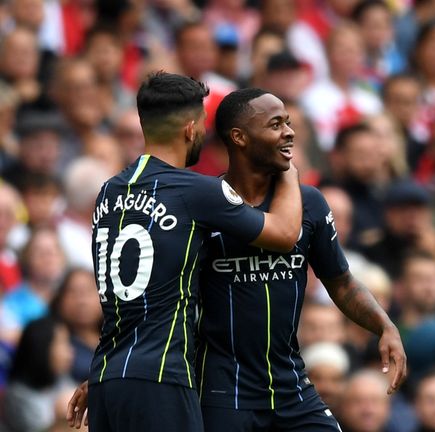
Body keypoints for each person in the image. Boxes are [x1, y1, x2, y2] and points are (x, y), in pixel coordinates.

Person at [66, 72, 303, 431]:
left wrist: (116, 378)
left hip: (107, 377)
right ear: (190, 129)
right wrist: (287, 169)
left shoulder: (108, 192)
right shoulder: (195, 191)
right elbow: (285, 234)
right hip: (162, 377)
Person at [195, 88, 406, 431]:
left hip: (290, 386)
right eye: (275, 124)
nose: (289, 132)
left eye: (289, 123)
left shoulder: (311, 203)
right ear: (239, 138)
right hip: (223, 392)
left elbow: (341, 282)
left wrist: (385, 325)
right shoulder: (204, 207)